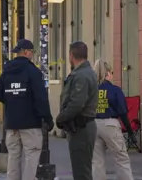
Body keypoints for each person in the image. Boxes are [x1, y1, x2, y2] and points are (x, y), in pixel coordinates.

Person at [0, 39, 53, 180]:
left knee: (13, 158)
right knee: (31, 157)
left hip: (11, 124)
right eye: (32, 52)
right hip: (30, 124)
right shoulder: (33, 71)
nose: (32, 55)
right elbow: (40, 98)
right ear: (27, 52)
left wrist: (12, 101)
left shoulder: (6, 71)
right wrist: (47, 118)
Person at [56, 41, 97, 180]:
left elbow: (77, 103)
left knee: (81, 171)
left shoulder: (81, 75)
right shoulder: (85, 73)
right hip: (81, 126)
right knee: (82, 168)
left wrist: (61, 117)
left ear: (71, 55)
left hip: (81, 127)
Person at [92, 60, 133, 180]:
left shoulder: (91, 89)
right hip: (110, 124)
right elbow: (122, 112)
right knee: (121, 157)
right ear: (108, 73)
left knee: (97, 160)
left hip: (93, 124)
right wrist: (129, 130)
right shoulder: (114, 90)